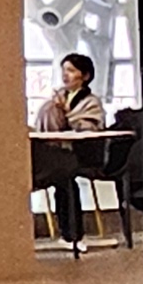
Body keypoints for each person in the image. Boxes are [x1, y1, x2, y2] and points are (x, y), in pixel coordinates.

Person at [31, 55, 107, 242]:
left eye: (71, 70)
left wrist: (66, 112)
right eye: (64, 70)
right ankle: (69, 234)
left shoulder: (91, 102)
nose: (65, 75)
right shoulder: (55, 100)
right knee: (61, 175)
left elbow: (89, 128)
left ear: (85, 76)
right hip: (57, 152)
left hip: (81, 153)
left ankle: (72, 234)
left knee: (64, 174)